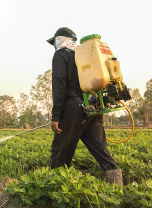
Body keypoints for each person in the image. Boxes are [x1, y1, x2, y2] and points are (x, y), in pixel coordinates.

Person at [46, 27, 123, 184]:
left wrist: (56, 116)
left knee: (60, 150)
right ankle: (117, 187)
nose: (54, 45)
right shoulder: (85, 56)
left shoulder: (61, 55)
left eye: (54, 42)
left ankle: (53, 188)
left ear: (59, 40)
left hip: (73, 109)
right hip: (93, 107)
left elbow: (59, 86)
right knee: (100, 149)